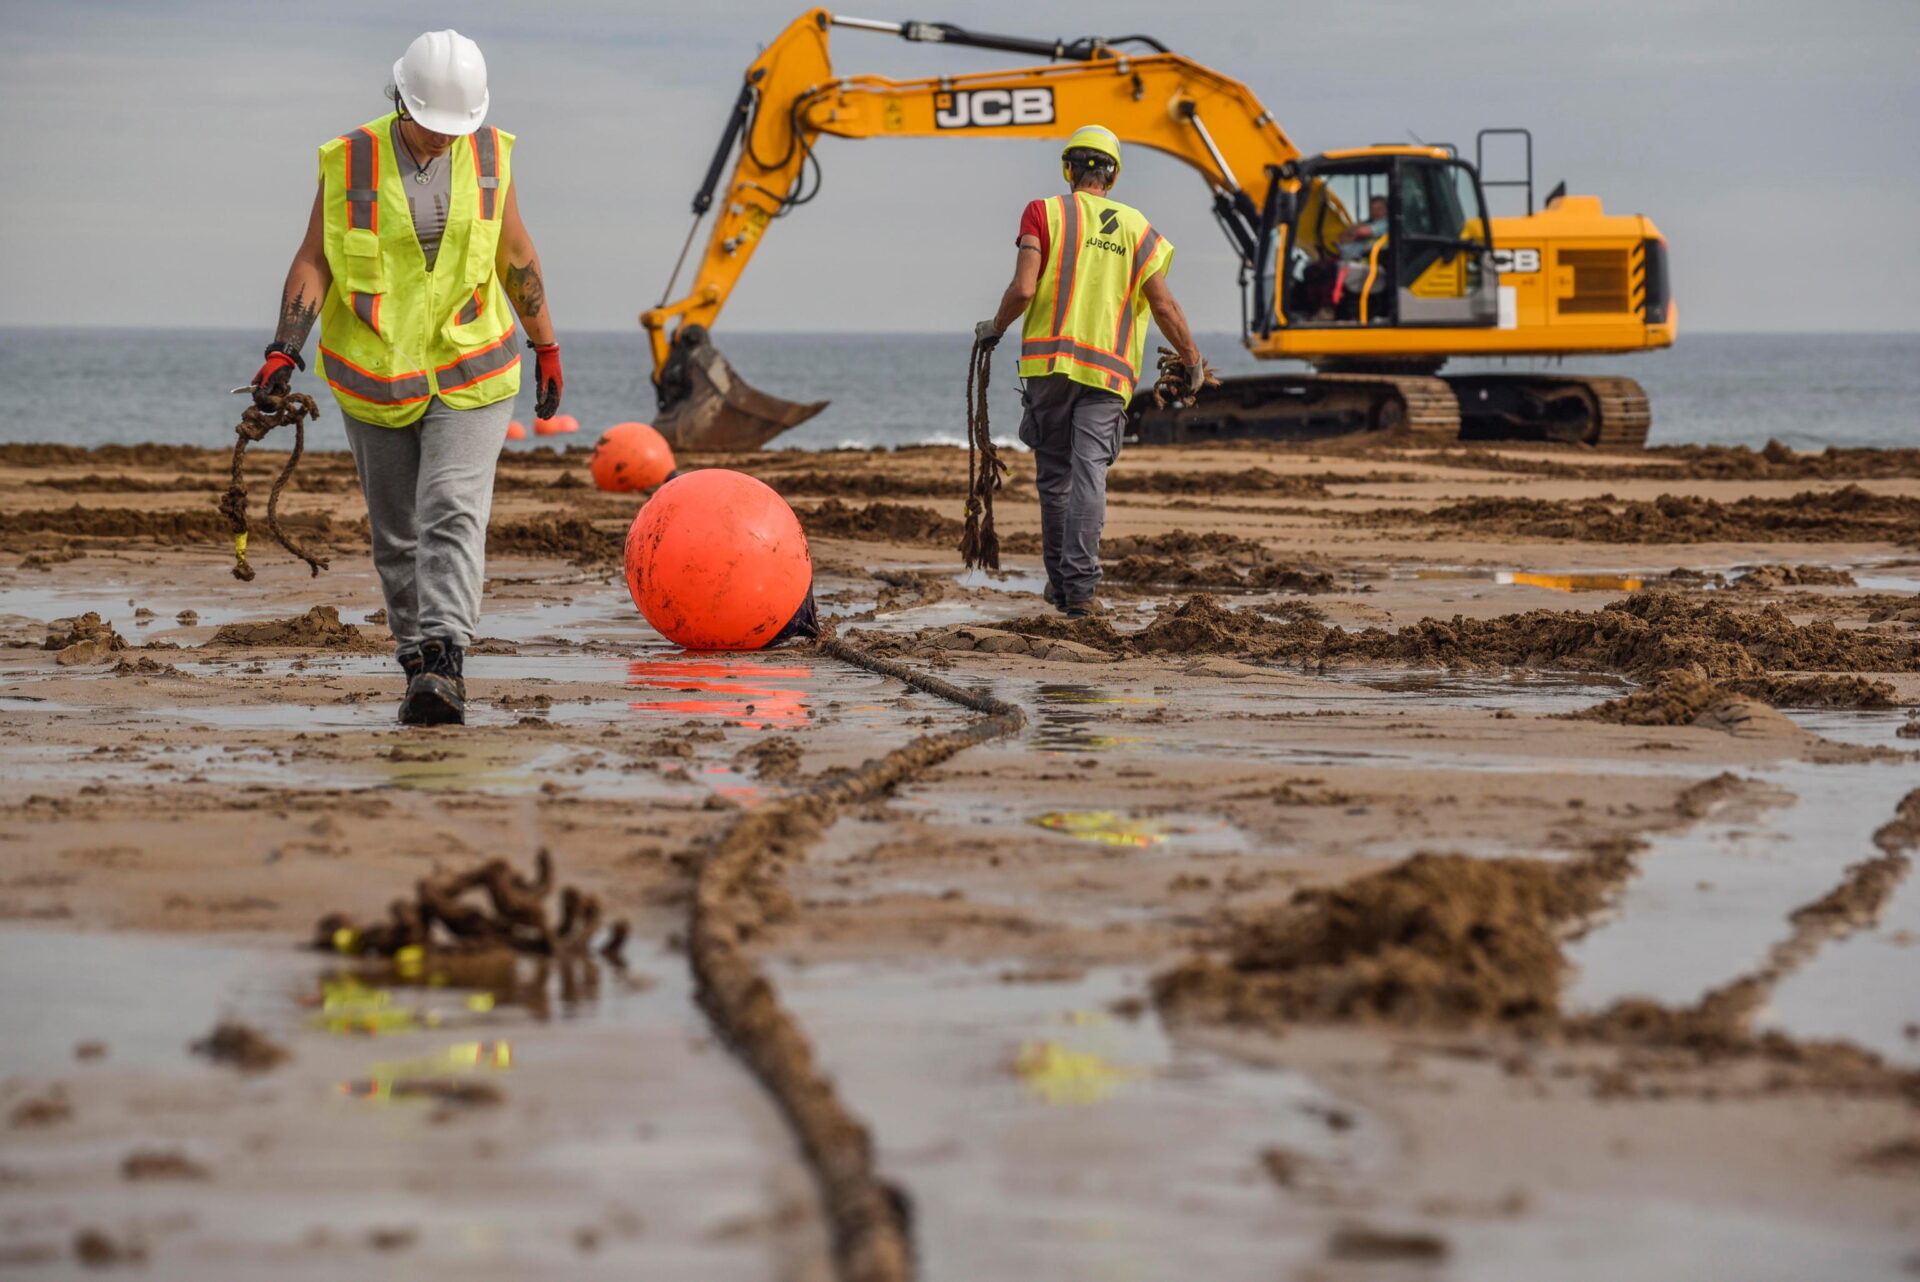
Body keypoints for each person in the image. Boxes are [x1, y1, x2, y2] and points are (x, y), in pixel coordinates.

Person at [249, 30, 562, 726]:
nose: (446, 137)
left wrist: (546, 343)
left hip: (474, 367)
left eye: (458, 125)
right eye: (432, 123)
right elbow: (315, 259)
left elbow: (514, 250)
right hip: (375, 375)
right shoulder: (349, 160)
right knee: (396, 535)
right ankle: (417, 664)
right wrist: (284, 349)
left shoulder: (490, 153)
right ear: (401, 101)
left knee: (451, 506)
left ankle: (447, 659)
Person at [974, 126, 1204, 618]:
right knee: (1089, 476)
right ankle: (1080, 591)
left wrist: (994, 328)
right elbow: (1163, 305)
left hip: (1048, 369)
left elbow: (1023, 289)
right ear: (1113, 175)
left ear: (1069, 169)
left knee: (1055, 478)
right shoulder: (1137, 228)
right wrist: (1191, 361)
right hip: (1109, 375)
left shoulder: (1043, 212)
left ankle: (1063, 587)